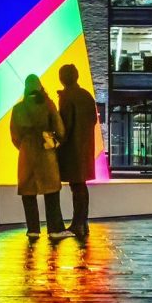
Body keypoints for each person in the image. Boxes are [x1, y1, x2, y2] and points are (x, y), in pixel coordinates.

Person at [10, 74, 73, 240]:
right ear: (39, 87)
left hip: (26, 154)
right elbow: (60, 130)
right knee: (51, 192)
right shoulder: (48, 104)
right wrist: (54, 141)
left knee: (28, 193)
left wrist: (24, 146)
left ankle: (32, 229)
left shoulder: (17, 109)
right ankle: (55, 229)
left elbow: (14, 136)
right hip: (46, 152)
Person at [57, 64, 98, 237]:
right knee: (81, 186)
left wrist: (57, 142)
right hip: (85, 148)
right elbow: (93, 120)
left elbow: (65, 126)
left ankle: (78, 224)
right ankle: (82, 222)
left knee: (77, 187)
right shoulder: (86, 95)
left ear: (62, 78)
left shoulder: (67, 97)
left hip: (72, 150)